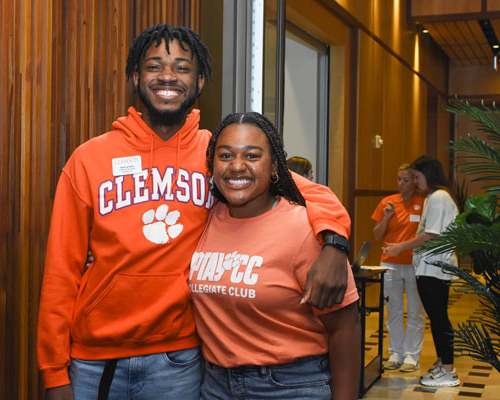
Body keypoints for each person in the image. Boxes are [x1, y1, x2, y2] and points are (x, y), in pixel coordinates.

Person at [37, 23, 352, 400]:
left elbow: (311, 192)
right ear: (136, 77)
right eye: (154, 66)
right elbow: (60, 272)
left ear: (200, 81)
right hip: (96, 358)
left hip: (179, 358)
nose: (167, 76)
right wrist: (54, 373)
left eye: (182, 67)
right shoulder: (89, 159)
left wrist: (334, 243)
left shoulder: (217, 155)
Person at [190, 112, 361, 399]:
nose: (237, 166)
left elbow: (345, 328)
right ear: (212, 164)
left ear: (274, 167)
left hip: (290, 385)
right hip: (216, 384)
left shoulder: (306, 229)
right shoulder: (207, 216)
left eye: (253, 156)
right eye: (226, 155)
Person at [384, 156, 460, 387]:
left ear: (430, 174)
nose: (415, 182)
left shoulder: (439, 197)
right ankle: (442, 363)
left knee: (439, 320)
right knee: (436, 319)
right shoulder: (433, 198)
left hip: (436, 269)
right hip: (429, 268)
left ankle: (448, 370)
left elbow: (431, 235)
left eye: (417, 177)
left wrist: (400, 247)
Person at [371, 164, 426, 372]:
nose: (401, 184)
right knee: (393, 310)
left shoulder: (423, 202)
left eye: (405, 179)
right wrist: (386, 216)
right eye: (398, 179)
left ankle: (412, 355)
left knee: (415, 311)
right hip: (390, 263)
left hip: (414, 263)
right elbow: (377, 235)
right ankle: (395, 352)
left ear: (414, 181)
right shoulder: (388, 202)